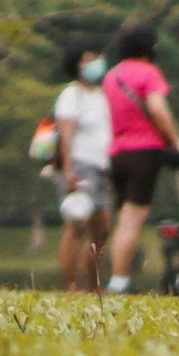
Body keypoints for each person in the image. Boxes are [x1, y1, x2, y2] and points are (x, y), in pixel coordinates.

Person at [95, 24, 179, 295]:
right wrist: (175, 142)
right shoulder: (148, 72)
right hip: (143, 152)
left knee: (124, 217)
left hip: (117, 153)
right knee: (134, 217)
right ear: (149, 49)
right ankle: (119, 281)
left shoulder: (112, 76)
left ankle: (117, 277)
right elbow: (157, 108)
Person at [52, 52, 109, 292]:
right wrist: (68, 171)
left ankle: (94, 287)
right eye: (88, 59)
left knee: (102, 229)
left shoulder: (101, 95)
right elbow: (66, 133)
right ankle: (71, 286)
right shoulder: (71, 95)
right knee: (76, 225)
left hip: (103, 167)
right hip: (80, 165)